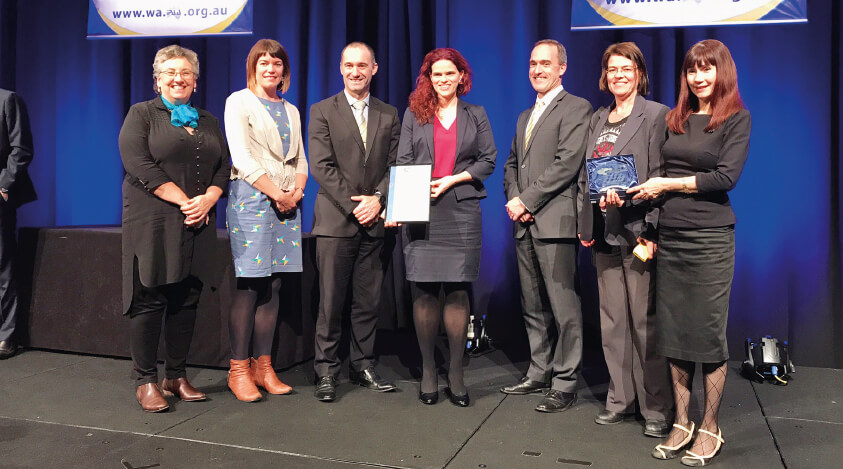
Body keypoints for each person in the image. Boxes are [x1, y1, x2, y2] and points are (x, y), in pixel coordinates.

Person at [626, 39, 750, 466]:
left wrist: (670, 185)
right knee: (675, 334)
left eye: (706, 69)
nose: (698, 78)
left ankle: (710, 426)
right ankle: (682, 422)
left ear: (722, 72)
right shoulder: (677, 118)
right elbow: (660, 174)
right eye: (692, 71)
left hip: (711, 239)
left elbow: (724, 177)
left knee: (707, 336)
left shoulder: (736, 118)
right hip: (672, 236)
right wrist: (648, 223)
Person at [119, 45, 230, 412]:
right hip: (153, 219)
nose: (178, 78)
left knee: (187, 298)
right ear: (157, 80)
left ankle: (176, 375)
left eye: (185, 73)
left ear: (195, 81)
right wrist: (187, 201)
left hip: (197, 219)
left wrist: (209, 199)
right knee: (150, 297)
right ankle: (145, 379)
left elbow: (223, 167)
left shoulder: (208, 120)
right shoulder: (142, 114)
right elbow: (139, 164)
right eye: (170, 73)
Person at [577, 42, 673, 437]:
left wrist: (651, 230)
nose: (618, 75)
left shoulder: (655, 115)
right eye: (612, 69)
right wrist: (586, 225)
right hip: (603, 232)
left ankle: (655, 408)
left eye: (626, 69)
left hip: (637, 233)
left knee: (644, 324)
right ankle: (620, 398)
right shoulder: (599, 117)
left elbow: (661, 175)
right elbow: (588, 175)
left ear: (639, 73)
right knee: (613, 322)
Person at [394, 48, 496, 407]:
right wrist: (409, 197)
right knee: (423, 290)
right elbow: (404, 161)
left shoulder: (476, 114)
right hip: (421, 209)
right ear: (429, 78)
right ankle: (428, 370)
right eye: (436, 75)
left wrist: (453, 180)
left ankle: (455, 371)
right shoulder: (413, 114)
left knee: (456, 290)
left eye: (449, 73)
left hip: (462, 209)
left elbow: (488, 160)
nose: (443, 80)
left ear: (461, 76)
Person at [501, 39, 592, 413]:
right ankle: (538, 370)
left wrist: (527, 199)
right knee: (533, 305)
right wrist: (514, 198)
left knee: (563, 306)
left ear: (562, 68)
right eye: (533, 63)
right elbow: (511, 164)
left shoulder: (577, 108)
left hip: (555, 223)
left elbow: (568, 163)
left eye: (545, 63)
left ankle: (565, 381)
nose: (538, 69)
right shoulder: (525, 116)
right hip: (523, 223)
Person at [308, 42, 401, 402]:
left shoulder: (389, 113)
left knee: (368, 301)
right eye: (349, 65)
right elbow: (322, 166)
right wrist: (355, 206)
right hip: (336, 221)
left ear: (374, 68)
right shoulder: (321, 111)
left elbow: (396, 165)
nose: (355, 71)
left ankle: (362, 364)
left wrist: (377, 200)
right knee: (331, 301)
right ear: (340, 68)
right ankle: (326, 370)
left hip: (375, 220)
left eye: (362, 65)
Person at [223, 39, 307, 402]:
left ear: (284, 71)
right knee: (251, 286)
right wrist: (277, 193)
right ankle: (238, 370)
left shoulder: (291, 109)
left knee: (274, 286)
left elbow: (301, 159)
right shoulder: (238, 101)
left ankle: (263, 366)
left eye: (276, 64)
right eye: (263, 64)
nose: (270, 69)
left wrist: (297, 192)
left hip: (288, 203)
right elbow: (240, 155)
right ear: (253, 68)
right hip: (253, 199)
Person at [0, 89, 36, 360]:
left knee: (2, 266)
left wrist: (3, 187)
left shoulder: (7, 99)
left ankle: (6, 336)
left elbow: (21, 148)